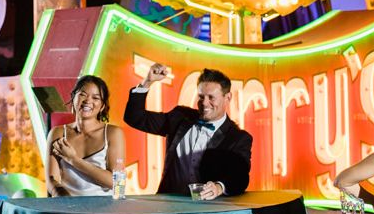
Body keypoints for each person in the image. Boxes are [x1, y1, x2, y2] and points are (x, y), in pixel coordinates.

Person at [123, 64, 252, 199]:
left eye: (211, 97)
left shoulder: (238, 138)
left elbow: (240, 177)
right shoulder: (180, 117)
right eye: (201, 97)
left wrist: (219, 187)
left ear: (228, 97)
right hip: (169, 206)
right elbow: (135, 118)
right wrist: (148, 81)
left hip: (207, 211)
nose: (204, 103)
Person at [46, 75, 125, 196]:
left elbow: (118, 184)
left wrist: (73, 160)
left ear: (102, 106)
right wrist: (65, 203)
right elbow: (52, 180)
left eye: (96, 98)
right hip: (68, 208)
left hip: (104, 210)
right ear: (73, 98)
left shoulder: (113, 133)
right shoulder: (58, 133)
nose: (88, 101)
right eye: (83, 94)